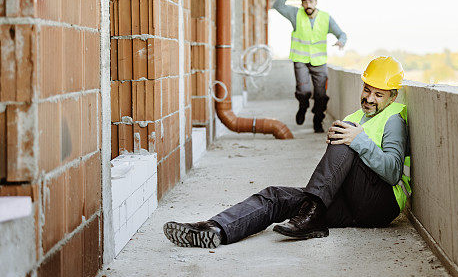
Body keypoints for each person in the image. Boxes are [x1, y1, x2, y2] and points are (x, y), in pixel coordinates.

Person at [163, 56, 412, 247]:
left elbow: (392, 172)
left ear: (392, 97)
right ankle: (214, 229)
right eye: (367, 90)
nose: (369, 98)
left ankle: (310, 212)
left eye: (379, 94)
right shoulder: (357, 116)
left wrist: (356, 140)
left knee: (346, 133)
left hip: (380, 205)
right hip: (350, 202)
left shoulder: (393, 119)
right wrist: (342, 142)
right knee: (275, 197)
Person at [272, 0, 347, 133]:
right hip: (300, 60)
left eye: (311, 1)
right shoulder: (296, 14)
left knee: (321, 96)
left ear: (316, 1)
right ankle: (303, 106)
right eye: (304, 2)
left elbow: (341, 34)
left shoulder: (325, 18)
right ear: (301, 3)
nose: (308, 5)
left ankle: (317, 121)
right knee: (304, 91)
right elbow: (277, 5)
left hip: (319, 63)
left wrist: (341, 42)